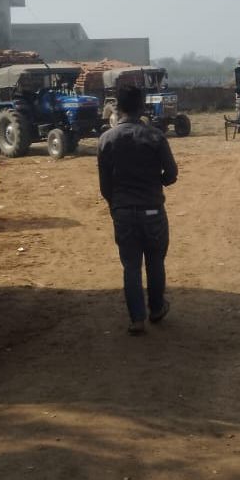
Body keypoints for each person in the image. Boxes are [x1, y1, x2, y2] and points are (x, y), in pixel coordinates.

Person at [97, 85, 179, 334]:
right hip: (153, 210)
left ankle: (136, 320)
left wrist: (116, 206)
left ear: (117, 108)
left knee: (131, 266)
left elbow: (105, 186)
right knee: (155, 261)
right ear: (142, 107)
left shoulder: (106, 140)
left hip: (123, 212)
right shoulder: (155, 137)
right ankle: (156, 308)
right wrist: (156, 183)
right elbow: (172, 174)